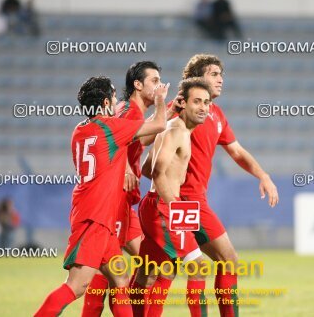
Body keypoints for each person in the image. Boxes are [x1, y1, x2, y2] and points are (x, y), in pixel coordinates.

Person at [34, 76, 169, 317]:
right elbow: (159, 125)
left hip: (97, 217)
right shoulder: (111, 127)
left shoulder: (79, 130)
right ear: (106, 101)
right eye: (115, 96)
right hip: (94, 218)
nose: (118, 101)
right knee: (77, 286)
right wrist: (160, 101)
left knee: (120, 279)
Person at [165, 54, 279, 317]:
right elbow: (153, 138)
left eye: (221, 74)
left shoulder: (215, 114)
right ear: (196, 78)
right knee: (225, 261)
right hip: (183, 200)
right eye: (214, 74)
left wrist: (263, 175)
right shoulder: (180, 109)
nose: (220, 79)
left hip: (192, 201)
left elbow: (237, 151)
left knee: (163, 272)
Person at [81, 61, 179, 316]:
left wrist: (169, 109)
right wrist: (125, 169)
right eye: (154, 81)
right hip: (115, 203)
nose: (159, 86)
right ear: (137, 84)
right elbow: (115, 141)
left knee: (131, 268)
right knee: (128, 269)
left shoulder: (130, 111)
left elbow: (141, 138)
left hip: (122, 203)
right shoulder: (128, 111)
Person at [130, 78, 212, 317]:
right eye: (197, 101)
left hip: (155, 203)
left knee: (156, 271)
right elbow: (156, 172)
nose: (203, 107)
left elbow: (146, 168)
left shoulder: (175, 128)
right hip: (162, 206)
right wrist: (175, 206)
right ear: (183, 103)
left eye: (206, 103)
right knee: (198, 267)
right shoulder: (176, 130)